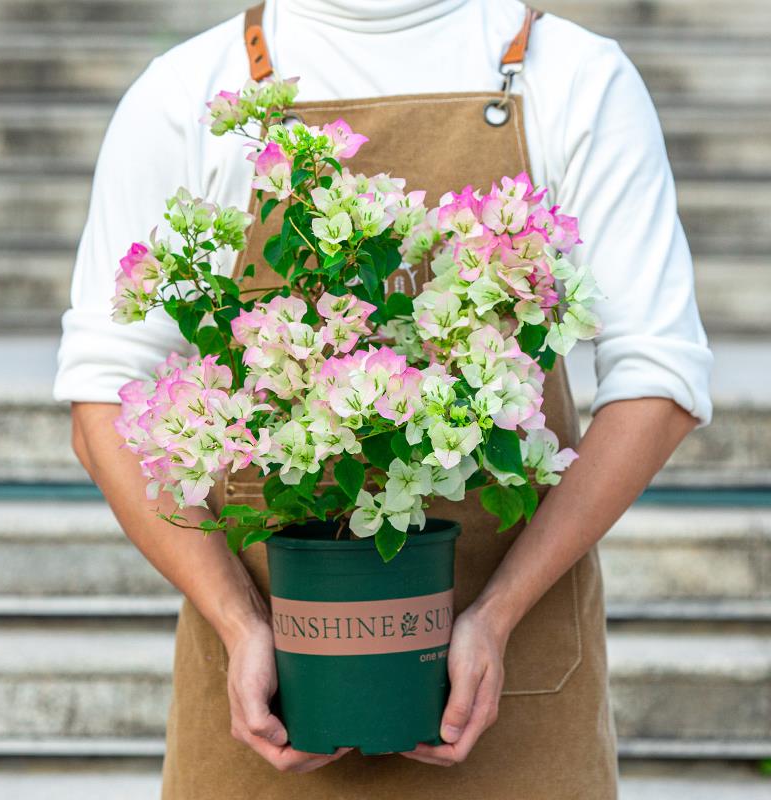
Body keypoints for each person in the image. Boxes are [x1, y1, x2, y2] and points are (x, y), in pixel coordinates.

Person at [55, 1, 713, 798]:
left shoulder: (570, 77)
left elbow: (660, 380)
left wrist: (497, 615)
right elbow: (103, 399)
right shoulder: (189, 91)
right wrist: (238, 622)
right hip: (263, 701)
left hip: (518, 697)